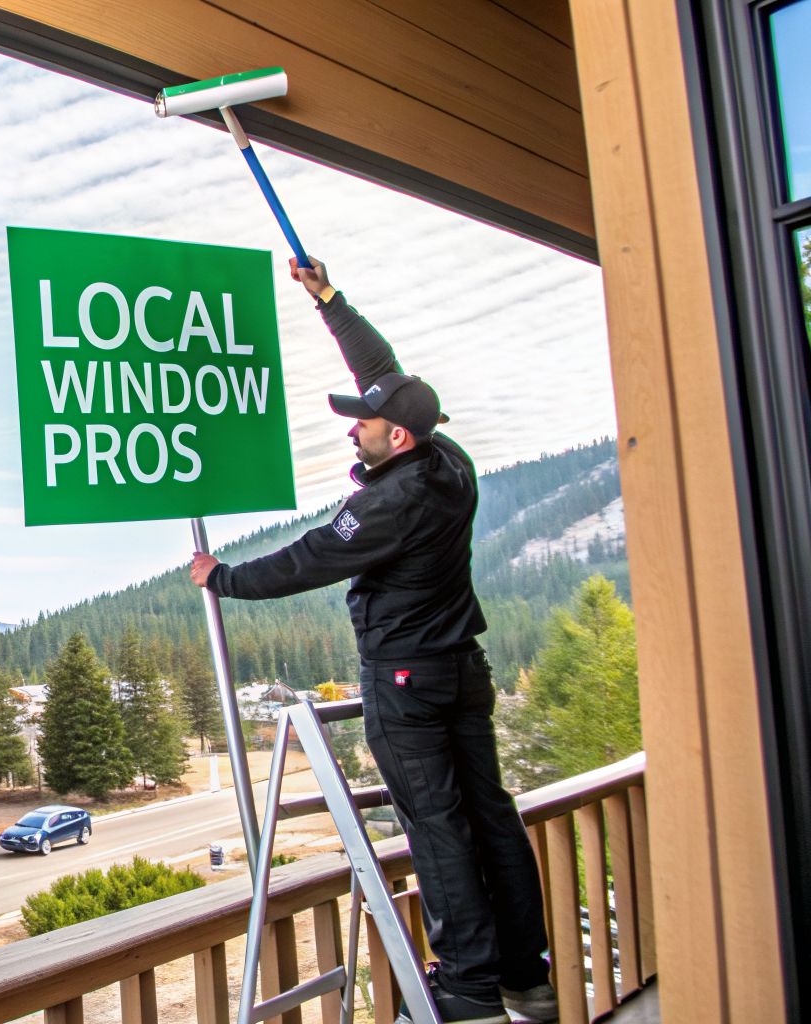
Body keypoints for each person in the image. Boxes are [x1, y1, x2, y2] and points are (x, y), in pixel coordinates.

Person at [189, 258, 556, 1024]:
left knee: (438, 824)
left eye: (361, 421)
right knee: (489, 811)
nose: (352, 428)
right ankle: (526, 975)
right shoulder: (447, 460)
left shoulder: (392, 502)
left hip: (407, 683)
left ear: (398, 434)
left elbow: (309, 558)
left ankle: (467, 986)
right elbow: (383, 371)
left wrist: (221, 577)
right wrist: (329, 299)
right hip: (462, 670)